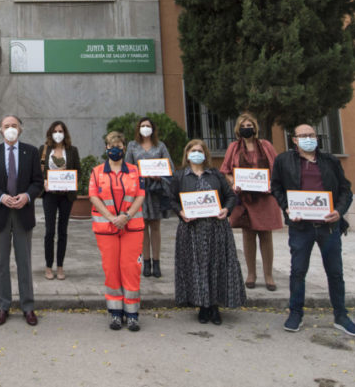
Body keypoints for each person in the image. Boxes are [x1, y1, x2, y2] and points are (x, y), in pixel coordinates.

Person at [271, 123, 355, 337]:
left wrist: (339, 212)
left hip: (328, 226)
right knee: (298, 271)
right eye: (302, 135)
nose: (307, 138)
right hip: (300, 226)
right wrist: (287, 207)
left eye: (311, 134)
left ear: (317, 137)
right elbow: (276, 187)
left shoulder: (330, 161)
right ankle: (295, 314)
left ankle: (341, 315)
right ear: (294, 140)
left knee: (335, 272)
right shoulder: (284, 161)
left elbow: (345, 190)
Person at [169, 139, 245, 325]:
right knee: (197, 267)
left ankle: (214, 306)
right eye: (193, 150)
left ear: (205, 154)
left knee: (215, 266)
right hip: (192, 230)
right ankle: (202, 306)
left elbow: (230, 196)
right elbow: (171, 199)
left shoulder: (215, 174)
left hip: (216, 230)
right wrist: (181, 212)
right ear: (187, 154)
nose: (196, 154)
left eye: (200, 150)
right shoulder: (180, 176)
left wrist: (226, 210)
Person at [0, 114, 44, 326]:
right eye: (6, 126)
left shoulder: (31, 152)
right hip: (1, 213)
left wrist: (26, 196)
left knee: (24, 262)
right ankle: (3, 305)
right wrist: (1, 196)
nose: (10, 129)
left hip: (23, 214)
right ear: (0, 129)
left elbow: (38, 182)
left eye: (14, 125)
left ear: (21, 129)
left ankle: (28, 306)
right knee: (1, 263)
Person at [89, 131, 145, 331]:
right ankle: (115, 312)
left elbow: (140, 195)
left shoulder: (134, 171)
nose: (115, 149)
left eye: (119, 146)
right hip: (106, 227)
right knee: (111, 269)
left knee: (131, 269)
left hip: (132, 227)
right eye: (111, 146)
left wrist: (126, 216)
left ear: (124, 148)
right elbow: (94, 197)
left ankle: (132, 314)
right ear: (106, 148)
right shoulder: (96, 172)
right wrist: (112, 218)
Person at [220, 112, 282, 290]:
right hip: (244, 199)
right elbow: (226, 171)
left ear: (255, 128)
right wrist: (234, 183)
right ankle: (251, 274)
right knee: (248, 236)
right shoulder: (234, 147)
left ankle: (269, 275)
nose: (247, 129)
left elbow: (276, 168)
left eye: (250, 126)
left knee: (265, 235)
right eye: (243, 126)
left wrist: (271, 183)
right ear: (238, 129)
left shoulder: (266, 145)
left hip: (265, 197)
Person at [124, 117, 173, 278]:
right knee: (143, 227)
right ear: (138, 128)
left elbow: (169, 167)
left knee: (156, 226)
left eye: (148, 126)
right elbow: (127, 168)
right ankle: (146, 262)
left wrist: (160, 175)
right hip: (140, 192)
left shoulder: (160, 146)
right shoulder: (132, 146)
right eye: (143, 126)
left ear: (153, 129)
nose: (145, 128)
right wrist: (138, 175)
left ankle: (157, 261)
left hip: (156, 191)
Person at [39, 120, 80, 281]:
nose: (58, 134)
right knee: (50, 231)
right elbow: (37, 172)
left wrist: (69, 180)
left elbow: (78, 171)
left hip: (66, 196)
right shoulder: (43, 150)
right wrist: (44, 182)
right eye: (55, 131)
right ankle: (48, 266)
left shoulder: (72, 150)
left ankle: (60, 266)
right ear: (50, 133)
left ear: (65, 133)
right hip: (49, 195)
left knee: (63, 231)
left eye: (61, 131)